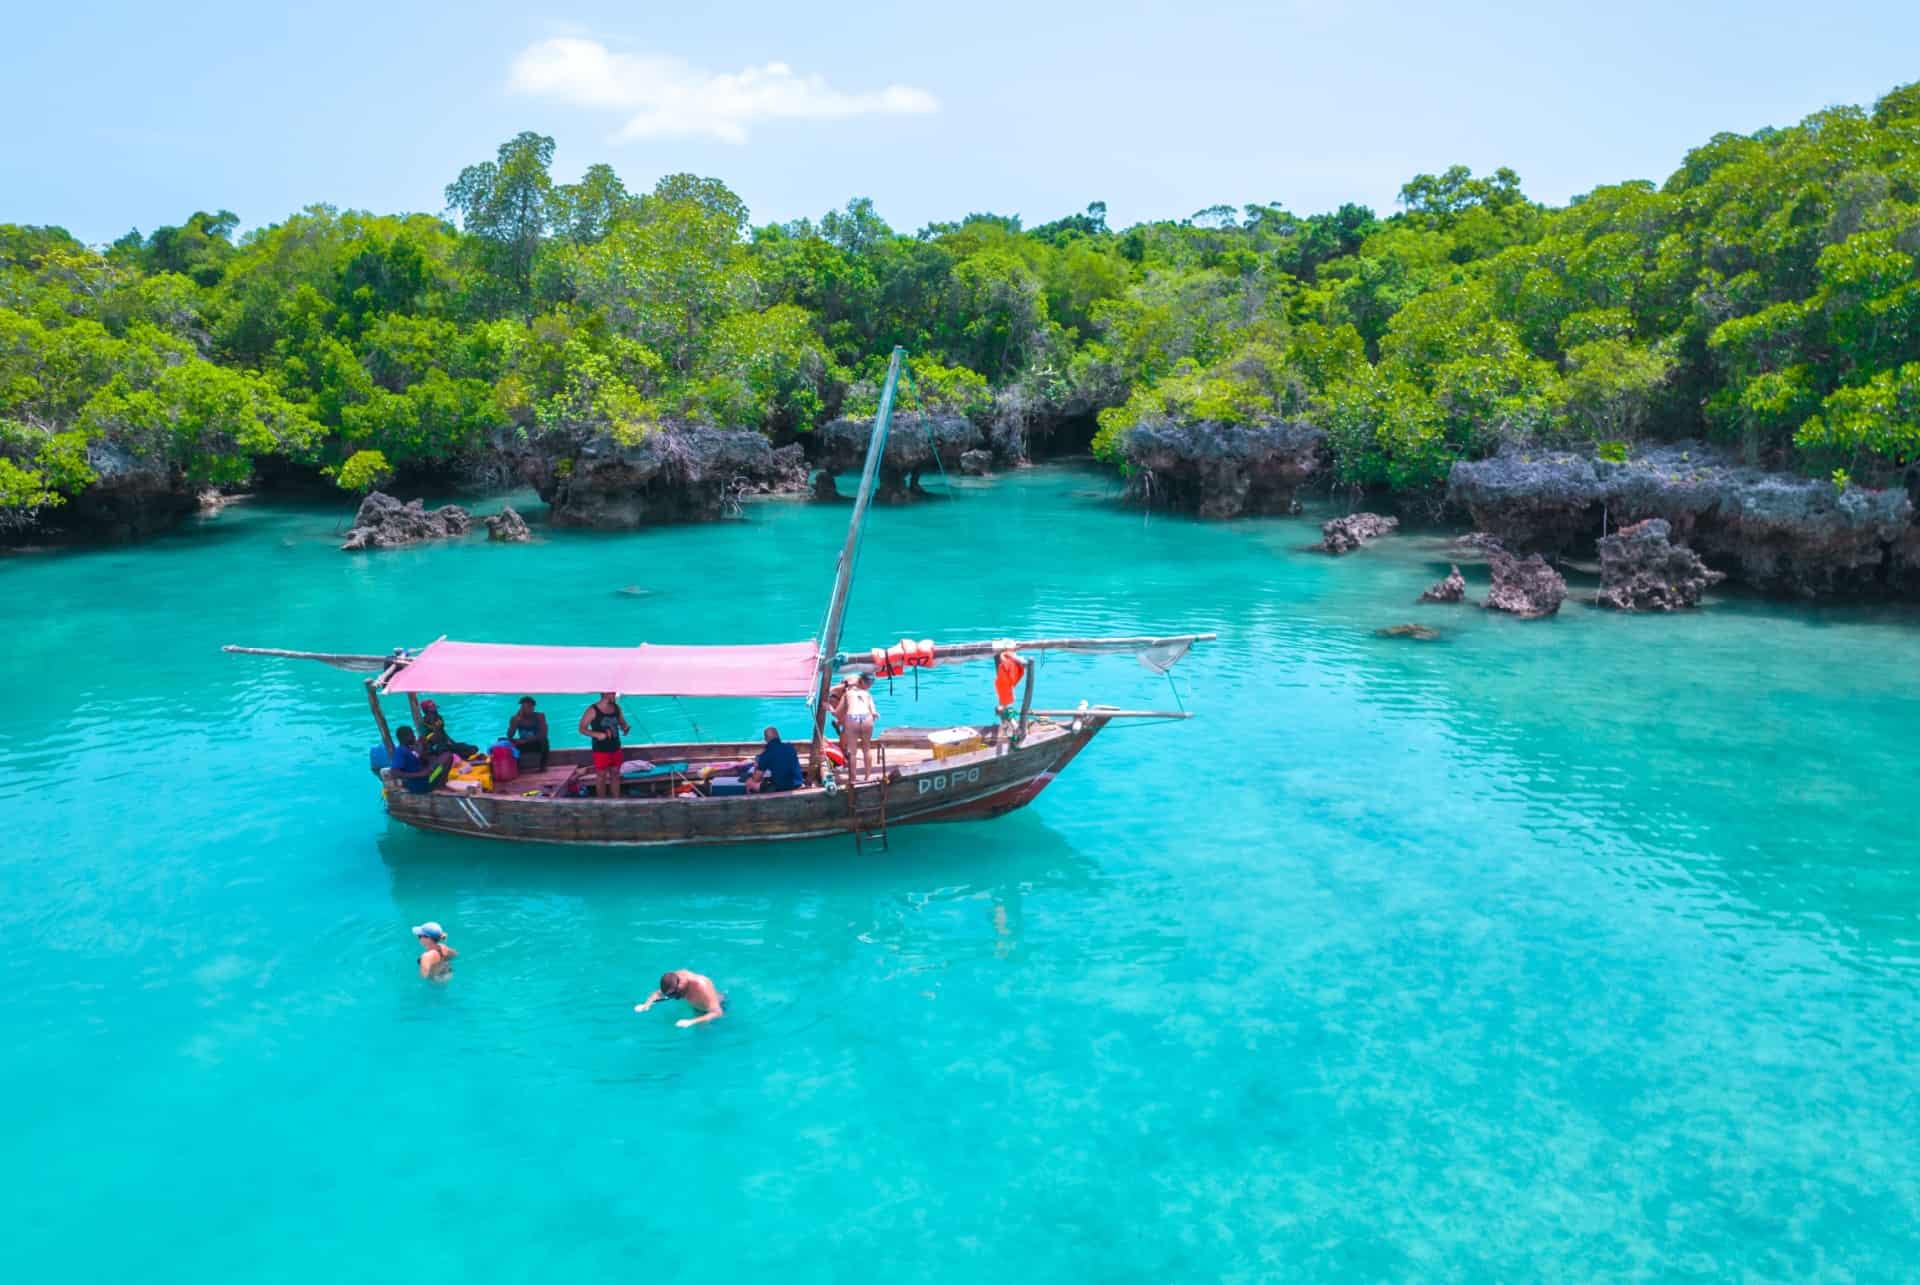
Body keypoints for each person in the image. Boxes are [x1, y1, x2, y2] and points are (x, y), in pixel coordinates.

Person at [579, 691, 630, 798]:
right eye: (613, 694)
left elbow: (622, 723)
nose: (615, 696)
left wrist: (625, 728)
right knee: (601, 776)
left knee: (615, 774)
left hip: (616, 747)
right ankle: (601, 802)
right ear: (605, 693)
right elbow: (582, 729)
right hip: (601, 749)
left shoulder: (616, 708)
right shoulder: (592, 709)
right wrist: (596, 734)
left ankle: (616, 800)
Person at [635, 969, 725, 1027]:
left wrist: (691, 1022)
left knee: (704, 1036)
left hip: (715, 1009)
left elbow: (718, 1012)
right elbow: (658, 993)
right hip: (696, 1007)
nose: (673, 996)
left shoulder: (701, 986)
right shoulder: (674, 980)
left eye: (674, 993)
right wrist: (647, 1004)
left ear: (680, 985)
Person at [387, 726, 449, 793]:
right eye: (412, 734)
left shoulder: (410, 748)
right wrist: (419, 774)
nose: (414, 736)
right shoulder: (401, 751)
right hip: (422, 785)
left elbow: (426, 760)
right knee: (447, 756)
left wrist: (423, 748)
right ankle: (440, 785)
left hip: (427, 778)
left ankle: (439, 783)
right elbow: (394, 772)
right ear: (405, 737)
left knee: (442, 758)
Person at [841, 672, 878, 781]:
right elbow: (874, 711)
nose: (870, 685)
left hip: (852, 718)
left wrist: (830, 708)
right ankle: (868, 777)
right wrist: (874, 714)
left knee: (852, 752)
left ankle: (853, 779)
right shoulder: (868, 694)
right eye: (870, 682)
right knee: (866, 749)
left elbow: (838, 712)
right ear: (862, 682)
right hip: (866, 717)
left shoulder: (847, 694)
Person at [745, 726, 803, 793]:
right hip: (798, 784)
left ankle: (752, 800)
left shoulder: (766, 754)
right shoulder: (790, 747)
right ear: (778, 736)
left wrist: (756, 768)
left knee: (750, 782)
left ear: (766, 739)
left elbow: (756, 779)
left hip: (782, 789)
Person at [505, 696, 549, 768]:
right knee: (504, 741)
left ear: (533, 707)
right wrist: (516, 721)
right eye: (523, 707)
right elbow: (509, 735)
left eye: (529, 706)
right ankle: (515, 767)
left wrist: (526, 740)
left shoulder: (540, 716)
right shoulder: (515, 718)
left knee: (544, 741)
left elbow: (544, 734)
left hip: (536, 744)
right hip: (523, 745)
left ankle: (543, 766)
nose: (526, 709)